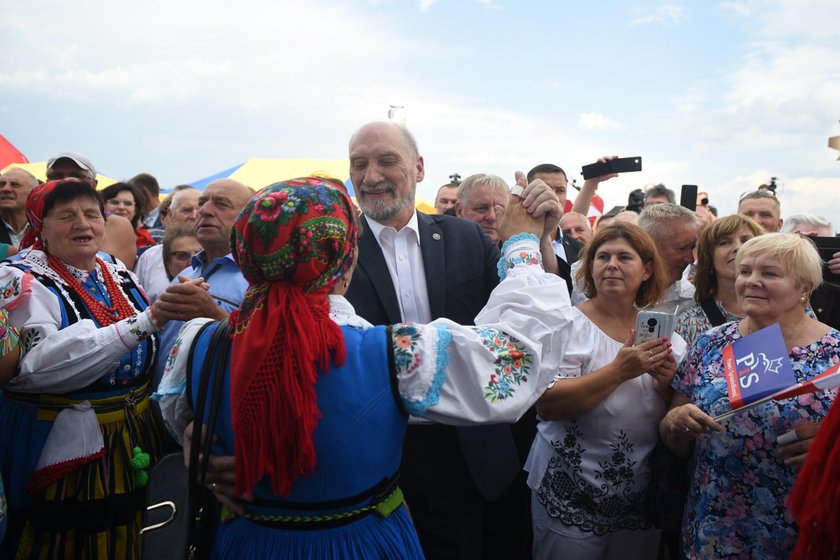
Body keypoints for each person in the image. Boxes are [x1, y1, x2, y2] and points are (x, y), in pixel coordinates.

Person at [156, 177, 574, 559]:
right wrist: (521, 244)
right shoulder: (390, 352)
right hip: (359, 544)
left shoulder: (198, 343)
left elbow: (185, 420)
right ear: (346, 257)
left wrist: (197, 436)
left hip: (246, 541)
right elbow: (514, 355)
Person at [345, 121, 562, 560]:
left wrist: (542, 238)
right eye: (359, 164)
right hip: (374, 455)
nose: (371, 176)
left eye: (387, 161)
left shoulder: (464, 237)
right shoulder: (336, 246)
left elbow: (522, 309)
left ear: (419, 167)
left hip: (469, 449)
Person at [0, 178, 165, 558]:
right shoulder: (20, 278)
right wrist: (146, 322)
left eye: (92, 214)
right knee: (66, 538)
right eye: (66, 215)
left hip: (131, 433)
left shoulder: (115, 270)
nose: (83, 224)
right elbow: (37, 367)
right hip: (61, 440)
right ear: (39, 226)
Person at [660, 233, 840, 559]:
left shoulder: (835, 352)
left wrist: (832, 446)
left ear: (805, 288)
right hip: (715, 522)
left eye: (769, 273)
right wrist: (675, 421)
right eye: (745, 271)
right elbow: (673, 433)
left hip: (800, 525)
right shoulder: (711, 343)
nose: (751, 281)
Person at [525, 222, 683, 560]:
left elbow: (677, 416)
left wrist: (667, 385)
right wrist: (618, 371)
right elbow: (548, 406)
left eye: (624, 257)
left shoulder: (665, 334)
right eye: (602, 257)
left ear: (646, 270)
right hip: (571, 490)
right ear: (590, 267)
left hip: (638, 495)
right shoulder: (565, 325)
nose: (611, 264)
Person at [152, 179, 252, 391]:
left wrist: (213, 314)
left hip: (211, 417)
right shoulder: (188, 272)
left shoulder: (257, 281)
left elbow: (267, 352)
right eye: (203, 202)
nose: (204, 210)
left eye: (221, 204)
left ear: (249, 217)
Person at [675, 214, 763, 345]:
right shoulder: (690, 322)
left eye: (746, 240)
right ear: (709, 259)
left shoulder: (786, 312)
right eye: (724, 243)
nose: (738, 247)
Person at [45, 152, 138, 268]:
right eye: (57, 176)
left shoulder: (117, 225)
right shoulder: (34, 220)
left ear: (93, 184)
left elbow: (118, 282)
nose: (66, 181)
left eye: (76, 175)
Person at [134, 186, 200, 302]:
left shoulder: (219, 255)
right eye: (187, 210)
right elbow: (137, 303)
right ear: (170, 214)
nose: (194, 215)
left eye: (199, 210)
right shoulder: (149, 257)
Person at [636, 203, 700, 315]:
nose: (690, 259)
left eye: (692, 247)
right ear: (649, 246)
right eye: (681, 248)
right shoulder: (612, 294)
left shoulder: (692, 302)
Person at [100, 182, 156, 250]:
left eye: (128, 204)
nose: (121, 207)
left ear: (135, 210)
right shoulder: (92, 237)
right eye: (115, 202)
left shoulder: (147, 241)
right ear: (103, 205)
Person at [0, 167, 38, 251]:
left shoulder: (44, 228)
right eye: (1, 184)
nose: (5, 189)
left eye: (15, 185)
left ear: (33, 193)